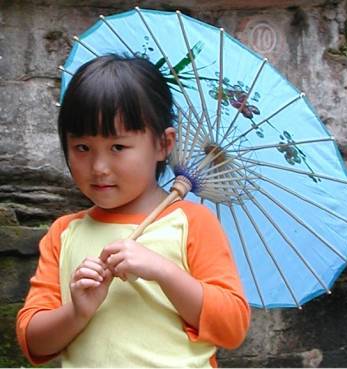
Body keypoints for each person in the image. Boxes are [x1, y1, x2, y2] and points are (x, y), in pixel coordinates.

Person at [16, 54, 250, 367]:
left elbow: (232, 327)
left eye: (118, 147)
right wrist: (77, 311)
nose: (99, 168)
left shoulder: (191, 224)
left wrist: (164, 272)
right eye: (82, 148)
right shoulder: (64, 233)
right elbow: (33, 341)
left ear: (164, 144)